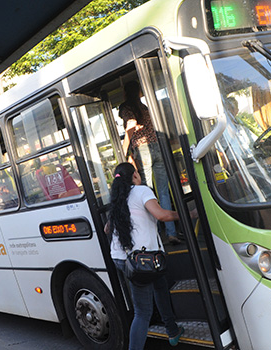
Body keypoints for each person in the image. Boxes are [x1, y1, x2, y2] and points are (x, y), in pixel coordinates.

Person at [108, 162, 184, 350]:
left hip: (121, 257)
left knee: (160, 286)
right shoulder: (142, 191)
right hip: (141, 260)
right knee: (142, 312)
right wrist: (185, 214)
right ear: (134, 175)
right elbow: (162, 215)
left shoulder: (118, 198)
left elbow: (106, 228)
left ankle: (172, 330)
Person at [119, 81, 180, 244]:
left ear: (125, 93)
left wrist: (124, 149)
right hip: (158, 148)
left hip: (143, 148)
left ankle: (156, 233)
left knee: (147, 193)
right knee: (163, 191)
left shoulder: (127, 108)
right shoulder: (144, 107)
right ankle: (171, 232)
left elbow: (130, 125)